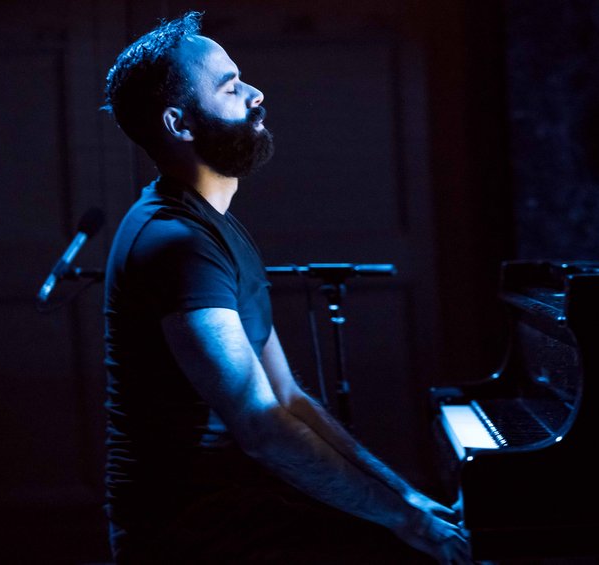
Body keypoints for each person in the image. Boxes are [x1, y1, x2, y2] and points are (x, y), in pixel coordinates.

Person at [101, 10, 472, 565]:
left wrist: (408, 499)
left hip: (241, 502)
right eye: (230, 87)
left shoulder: (215, 227)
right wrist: (407, 522)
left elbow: (289, 399)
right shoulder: (176, 242)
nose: (256, 95)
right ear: (180, 124)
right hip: (190, 530)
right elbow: (260, 425)